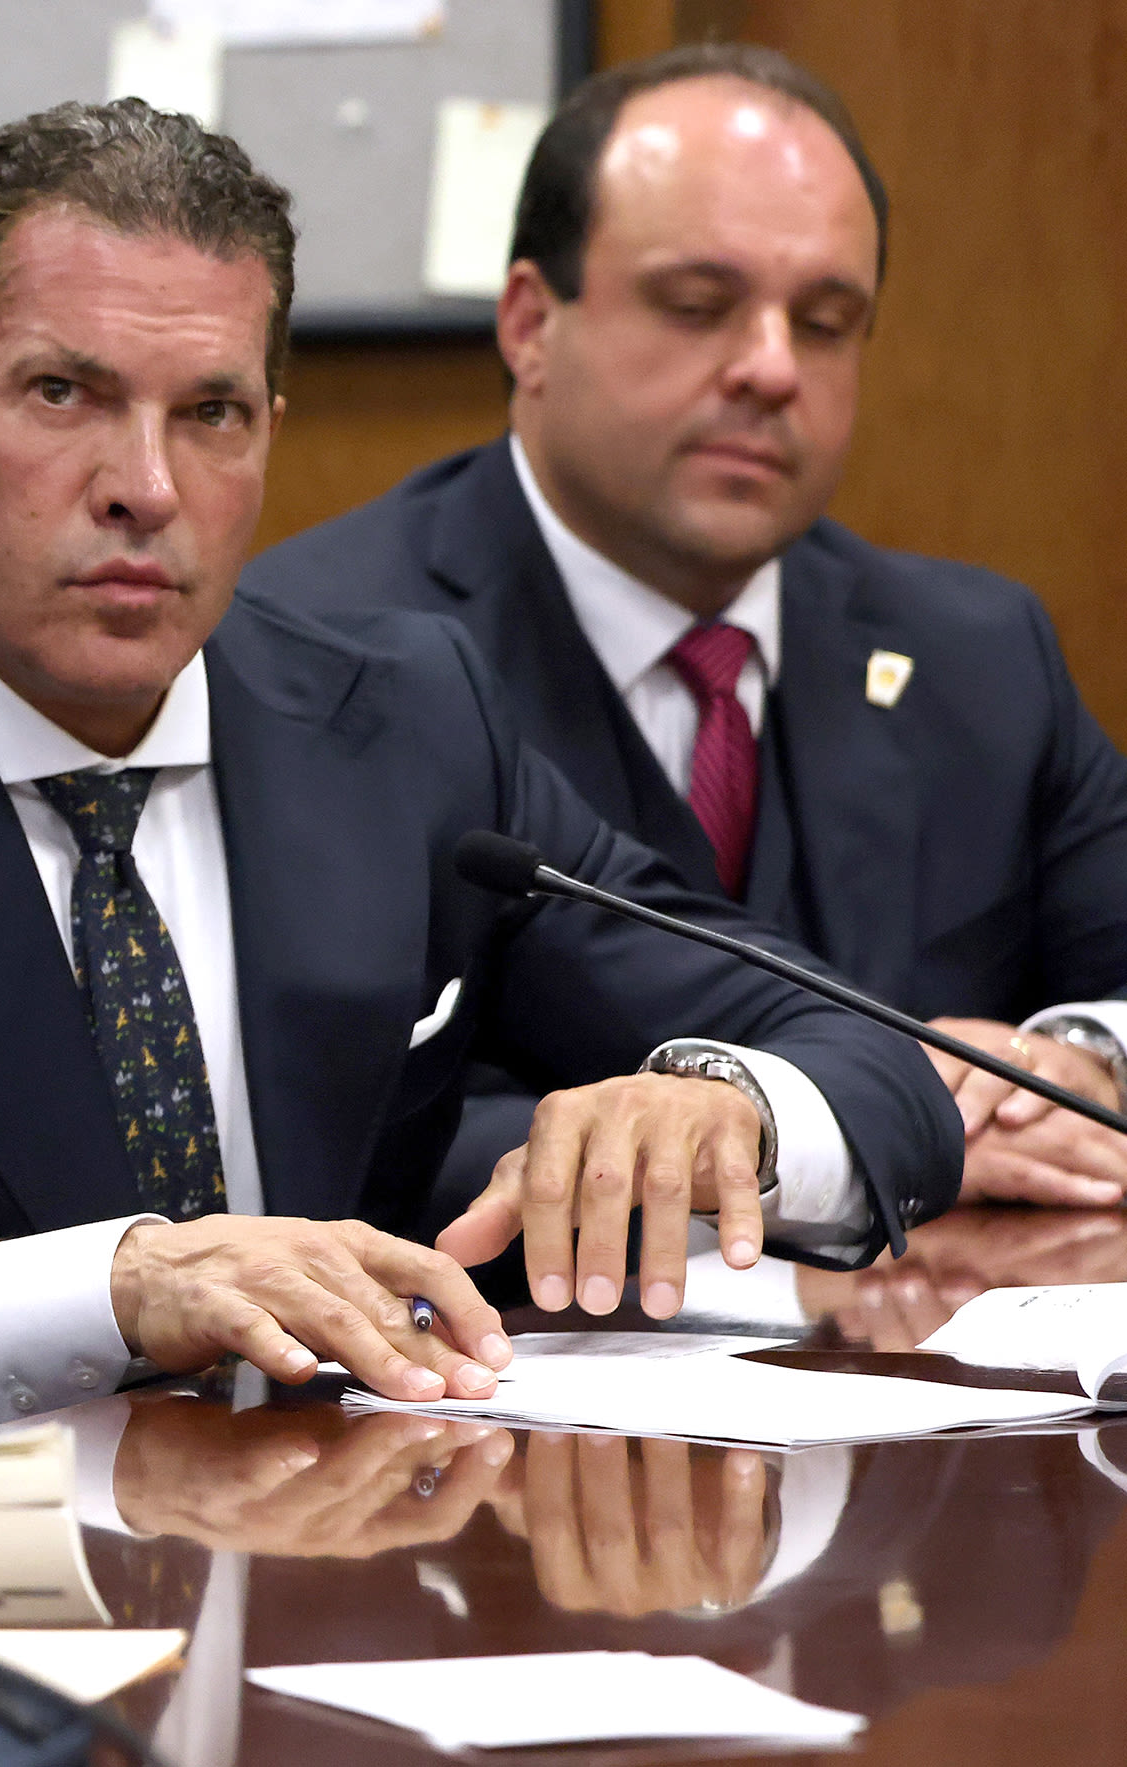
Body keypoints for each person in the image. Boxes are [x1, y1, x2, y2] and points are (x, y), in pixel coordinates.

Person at [0, 99, 961, 1432]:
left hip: (368, 1566)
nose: (145, 487)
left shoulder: (405, 724)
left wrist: (730, 1105)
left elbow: (876, 1061)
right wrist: (123, 1285)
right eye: (64, 394)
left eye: (210, 414)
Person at [239, 45, 1127, 1243]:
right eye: (698, 307)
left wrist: (1069, 1067)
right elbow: (324, 1130)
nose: (770, 369)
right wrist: (814, 1141)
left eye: (825, 323)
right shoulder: (324, 665)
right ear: (528, 324)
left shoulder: (977, 655)